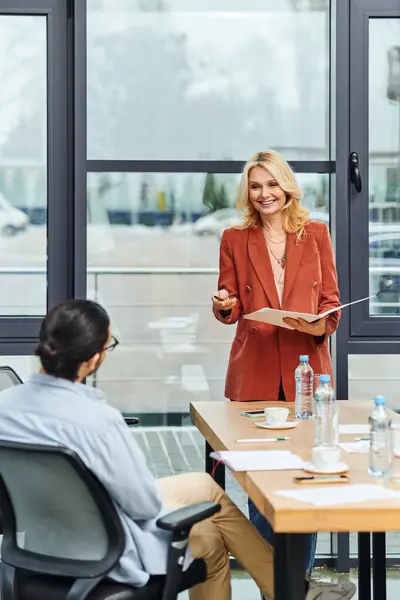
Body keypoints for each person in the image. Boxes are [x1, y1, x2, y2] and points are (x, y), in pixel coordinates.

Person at [0, 298, 316, 600]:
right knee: (210, 536)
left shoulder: (4, 406)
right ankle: (290, 591)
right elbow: (144, 506)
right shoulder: (97, 421)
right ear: (94, 358)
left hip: (40, 532)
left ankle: (290, 589)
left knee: (207, 487)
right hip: (103, 543)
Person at [212, 150, 355, 600]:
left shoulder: (315, 234)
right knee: (260, 487)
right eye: (255, 186)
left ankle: (295, 583)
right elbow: (230, 303)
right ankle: (279, 586)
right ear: (248, 192)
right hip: (254, 372)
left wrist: (319, 323)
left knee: (304, 482)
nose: (264, 194)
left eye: (271, 185)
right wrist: (223, 304)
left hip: (305, 371)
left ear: (287, 186)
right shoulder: (235, 237)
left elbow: (331, 303)